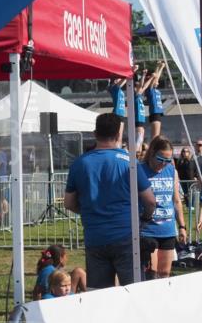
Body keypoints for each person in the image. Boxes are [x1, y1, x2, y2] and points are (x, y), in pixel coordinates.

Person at [64, 113, 155, 289]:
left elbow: (68, 203)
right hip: (126, 236)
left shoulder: (79, 163)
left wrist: (88, 211)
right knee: (134, 292)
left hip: (95, 237)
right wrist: (145, 218)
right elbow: (150, 201)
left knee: (99, 295)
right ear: (118, 135)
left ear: (95, 133)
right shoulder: (129, 162)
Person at [139, 136, 186, 280]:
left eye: (168, 160)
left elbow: (176, 200)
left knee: (164, 275)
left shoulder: (171, 171)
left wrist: (182, 226)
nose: (164, 164)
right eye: (161, 159)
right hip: (147, 230)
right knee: (151, 275)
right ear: (152, 153)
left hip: (167, 230)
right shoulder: (139, 170)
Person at [142, 60, 166, 141]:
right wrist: (157, 67)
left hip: (157, 114)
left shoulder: (155, 90)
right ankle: (153, 148)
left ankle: (154, 147)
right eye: (155, 81)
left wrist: (161, 67)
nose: (157, 81)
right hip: (154, 113)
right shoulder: (150, 90)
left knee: (156, 136)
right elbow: (155, 78)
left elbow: (156, 77)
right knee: (155, 136)